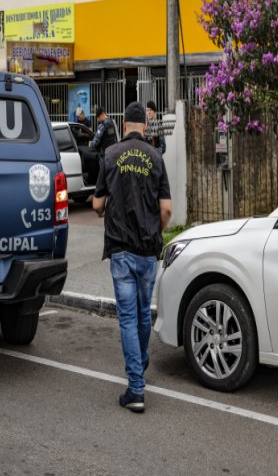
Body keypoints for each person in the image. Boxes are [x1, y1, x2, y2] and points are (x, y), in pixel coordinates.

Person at [92, 101, 172, 413]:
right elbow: (166, 208)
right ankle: (139, 364)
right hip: (147, 250)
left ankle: (136, 387)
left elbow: (97, 205)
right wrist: (157, 230)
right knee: (141, 313)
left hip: (121, 248)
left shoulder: (110, 155)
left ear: (124, 124)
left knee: (127, 316)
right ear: (145, 126)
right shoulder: (155, 157)